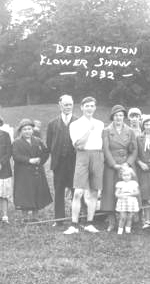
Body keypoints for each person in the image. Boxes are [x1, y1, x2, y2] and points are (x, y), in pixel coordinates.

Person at [63, 97, 104, 235]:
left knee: (93, 192)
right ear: (81, 107)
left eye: (92, 106)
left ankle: (89, 223)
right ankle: (74, 225)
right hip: (82, 156)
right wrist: (88, 130)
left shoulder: (100, 124)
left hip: (97, 156)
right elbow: (78, 145)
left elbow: (101, 143)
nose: (89, 108)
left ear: (95, 108)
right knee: (78, 192)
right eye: (87, 106)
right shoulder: (75, 124)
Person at [101, 105, 137, 232]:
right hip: (112, 166)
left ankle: (128, 220)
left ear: (124, 117)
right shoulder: (106, 130)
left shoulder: (130, 131)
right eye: (116, 115)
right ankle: (112, 221)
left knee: (128, 191)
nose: (118, 118)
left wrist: (128, 163)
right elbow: (105, 149)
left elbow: (134, 150)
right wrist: (114, 165)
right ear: (112, 117)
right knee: (111, 193)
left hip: (126, 166)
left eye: (121, 115)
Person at [46, 94, 78, 226]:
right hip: (59, 163)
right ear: (60, 105)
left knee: (76, 191)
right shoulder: (52, 123)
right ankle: (59, 219)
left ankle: (76, 218)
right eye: (65, 104)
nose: (68, 107)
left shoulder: (78, 122)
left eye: (70, 104)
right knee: (58, 190)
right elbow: (49, 143)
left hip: (75, 162)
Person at [12, 119, 52, 222]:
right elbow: (16, 156)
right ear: (21, 131)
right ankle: (25, 217)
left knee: (36, 192)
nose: (27, 131)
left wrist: (40, 161)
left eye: (29, 129)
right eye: (24, 129)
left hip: (37, 171)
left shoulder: (38, 140)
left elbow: (46, 152)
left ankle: (35, 216)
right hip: (23, 172)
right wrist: (29, 160)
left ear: (33, 130)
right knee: (25, 194)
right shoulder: (16, 142)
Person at [115, 166, 140, 235]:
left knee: (130, 217)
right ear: (121, 176)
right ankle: (120, 230)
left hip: (131, 202)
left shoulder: (134, 183)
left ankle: (128, 229)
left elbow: (137, 192)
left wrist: (130, 194)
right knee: (123, 217)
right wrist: (121, 195)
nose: (126, 177)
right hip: (123, 202)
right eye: (124, 175)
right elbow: (116, 194)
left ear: (131, 175)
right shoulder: (120, 184)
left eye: (128, 175)